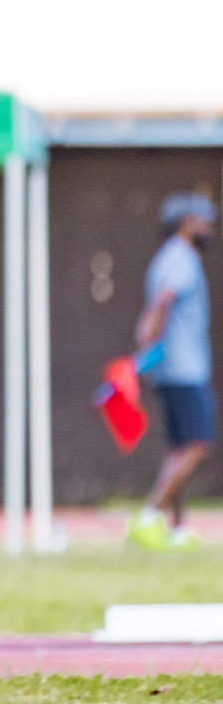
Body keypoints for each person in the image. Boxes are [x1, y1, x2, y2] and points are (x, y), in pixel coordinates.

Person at [129, 193, 218, 552]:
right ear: (185, 223)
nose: (208, 227)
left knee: (179, 449)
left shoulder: (166, 257)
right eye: (202, 220)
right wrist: (146, 341)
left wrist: (147, 356)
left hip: (169, 368)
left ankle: (177, 529)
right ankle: (150, 516)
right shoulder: (182, 258)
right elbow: (163, 301)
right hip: (184, 369)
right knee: (196, 447)